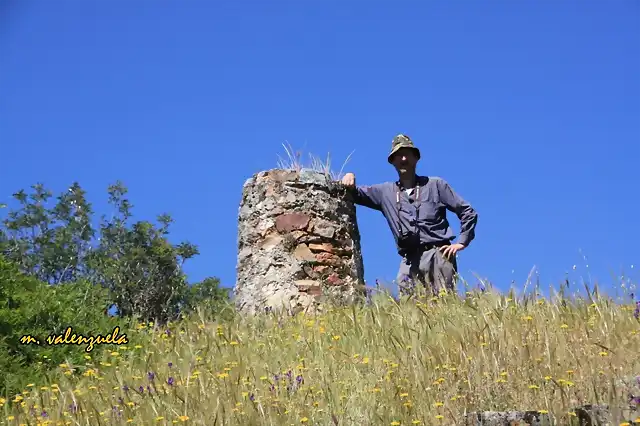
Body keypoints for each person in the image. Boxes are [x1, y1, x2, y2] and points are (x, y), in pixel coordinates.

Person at [341, 134, 478, 295]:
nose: (403, 159)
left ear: (416, 158)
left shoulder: (435, 185)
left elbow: (467, 211)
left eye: (407, 154)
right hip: (409, 260)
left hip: (438, 255)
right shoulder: (385, 192)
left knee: (443, 306)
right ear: (392, 162)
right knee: (408, 309)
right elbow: (354, 193)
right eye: (398, 156)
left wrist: (462, 242)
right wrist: (349, 175)